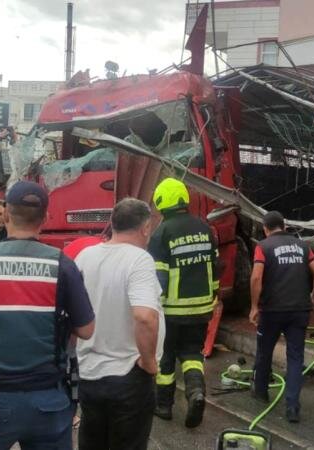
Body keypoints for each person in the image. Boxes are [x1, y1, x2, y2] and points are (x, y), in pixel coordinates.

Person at [0, 180, 96, 449]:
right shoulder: (62, 265)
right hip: (49, 402)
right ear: (45, 217)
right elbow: (86, 330)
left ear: (7, 214)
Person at [75, 198, 164, 450]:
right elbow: (145, 316)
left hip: (89, 373)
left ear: (112, 223)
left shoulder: (85, 256)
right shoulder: (139, 260)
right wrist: (148, 361)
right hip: (128, 375)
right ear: (145, 227)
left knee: (92, 443)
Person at [148, 177, 219, 428]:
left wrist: (154, 307)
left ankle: (164, 406)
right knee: (192, 354)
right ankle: (196, 393)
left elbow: (159, 277)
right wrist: (213, 296)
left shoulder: (161, 233)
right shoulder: (205, 229)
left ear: (160, 202)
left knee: (165, 359)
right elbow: (215, 267)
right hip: (201, 308)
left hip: (171, 311)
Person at [249, 211, 314, 424]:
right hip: (299, 311)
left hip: (272, 310)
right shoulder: (302, 246)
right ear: (284, 226)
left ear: (265, 228)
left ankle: (261, 392)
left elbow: (256, 277)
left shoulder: (263, 247)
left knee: (264, 352)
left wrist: (254, 306)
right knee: (295, 358)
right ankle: (292, 408)